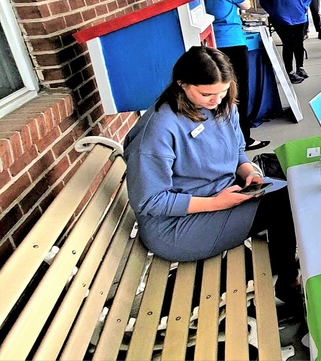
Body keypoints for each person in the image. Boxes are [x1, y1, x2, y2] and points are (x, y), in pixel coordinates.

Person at [123, 46, 300, 310]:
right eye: (207, 93)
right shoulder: (159, 129)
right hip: (176, 225)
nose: (216, 100)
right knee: (284, 204)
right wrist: (217, 203)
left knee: (298, 190)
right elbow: (150, 202)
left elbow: (238, 152)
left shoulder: (223, 105)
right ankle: (286, 280)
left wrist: (249, 172)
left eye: (223, 91)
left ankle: (280, 267)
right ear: (182, 84)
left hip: (222, 194)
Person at [177, 0, 269, 151]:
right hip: (231, 42)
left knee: (211, 93)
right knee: (236, 92)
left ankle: (219, 137)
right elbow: (246, 4)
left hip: (203, 45)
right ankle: (243, 138)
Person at [257, 0, 313, 83]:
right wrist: (273, 11)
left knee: (299, 43)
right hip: (280, 18)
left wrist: (303, 6)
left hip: (299, 16)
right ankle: (290, 71)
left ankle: (300, 67)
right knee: (288, 44)